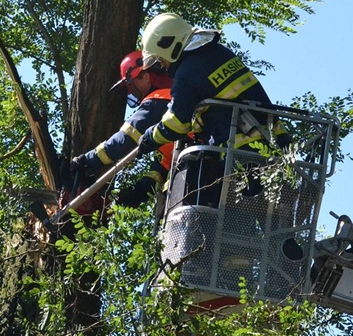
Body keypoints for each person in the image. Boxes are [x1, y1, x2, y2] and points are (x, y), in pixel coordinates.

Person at [137, 12, 291, 156]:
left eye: (160, 59)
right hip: (278, 142)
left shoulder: (187, 73)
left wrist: (149, 138)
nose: (162, 65)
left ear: (169, 45)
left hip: (241, 153)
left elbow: (177, 124)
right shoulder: (219, 52)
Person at [69, 50, 177, 207]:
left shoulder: (157, 101)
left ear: (146, 77)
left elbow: (125, 140)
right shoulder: (173, 104)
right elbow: (164, 163)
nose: (130, 91)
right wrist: (139, 191)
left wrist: (86, 160)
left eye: (131, 85)